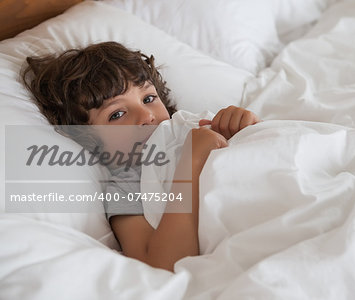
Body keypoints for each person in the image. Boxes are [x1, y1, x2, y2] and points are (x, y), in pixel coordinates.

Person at [22, 41, 260, 272]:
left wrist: (246, 126)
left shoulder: (195, 124)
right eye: (117, 114)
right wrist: (192, 160)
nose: (146, 115)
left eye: (148, 99)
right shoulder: (125, 188)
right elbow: (162, 264)